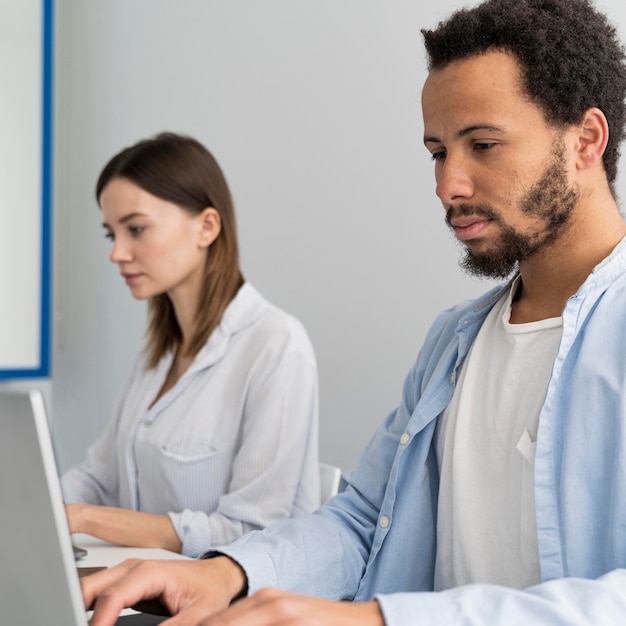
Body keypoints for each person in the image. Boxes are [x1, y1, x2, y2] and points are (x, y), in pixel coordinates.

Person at [83, 0, 626, 623]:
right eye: (437, 152)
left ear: (586, 140)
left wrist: (375, 619)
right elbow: (366, 517)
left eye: (482, 144)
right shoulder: (455, 340)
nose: (449, 184)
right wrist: (227, 573)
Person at [61, 132, 320, 559]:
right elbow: (99, 478)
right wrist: (37, 505)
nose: (118, 253)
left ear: (206, 226)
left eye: (136, 229)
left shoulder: (275, 346)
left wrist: (86, 518)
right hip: (144, 585)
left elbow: (251, 531)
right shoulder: (158, 354)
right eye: (112, 235)